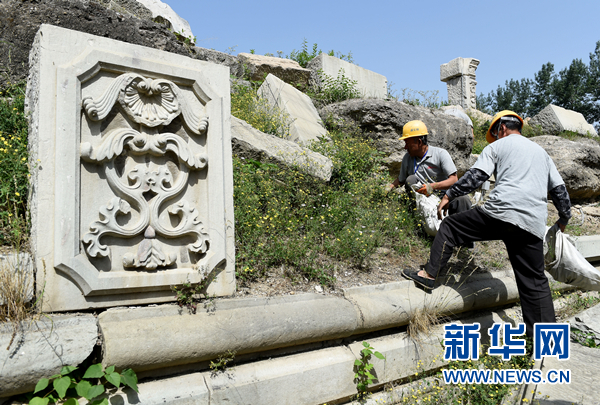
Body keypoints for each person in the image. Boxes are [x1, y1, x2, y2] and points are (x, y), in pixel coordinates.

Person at [402, 110, 572, 337]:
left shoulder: (497, 147)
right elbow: (560, 192)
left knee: (450, 226)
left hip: (501, 213)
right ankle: (547, 343)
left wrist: (448, 195)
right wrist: (563, 218)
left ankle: (429, 276)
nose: (496, 138)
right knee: (535, 282)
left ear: (501, 128)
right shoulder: (542, 153)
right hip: (532, 223)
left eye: (495, 133)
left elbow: (475, 177)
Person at [387, 120, 471, 216]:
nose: (405, 147)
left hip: (444, 196)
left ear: (419, 142)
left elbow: (454, 179)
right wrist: (387, 189)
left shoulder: (440, 154)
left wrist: (432, 186)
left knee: (463, 199)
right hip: (423, 198)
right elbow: (401, 180)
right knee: (410, 179)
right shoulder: (408, 157)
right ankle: (416, 217)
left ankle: (460, 227)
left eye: (407, 143)